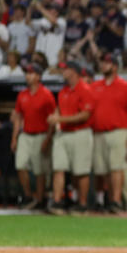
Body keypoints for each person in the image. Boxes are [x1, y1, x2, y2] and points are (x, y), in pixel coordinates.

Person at [89, 52, 127, 212]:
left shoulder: (125, 86)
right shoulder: (95, 86)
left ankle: (115, 201)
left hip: (118, 132)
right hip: (97, 133)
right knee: (99, 169)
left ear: (115, 66)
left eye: (107, 63)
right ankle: (99, 200)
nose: (104, 65)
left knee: (116, 168)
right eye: (103, 63)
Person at [47, 62, 94, 214]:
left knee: (81, 171)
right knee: (58, 168)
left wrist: (60, 119)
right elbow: (59, 111)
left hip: (80, 133)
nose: (62, 71)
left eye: (65, 69)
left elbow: (85, 115)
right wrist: (55, 117)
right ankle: (57, 202)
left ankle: (82, 204)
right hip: (63, 133)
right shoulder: (63, 91)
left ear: (74, 71)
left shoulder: (85, 89)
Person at [11, 64, 56, 210]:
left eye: (31, 73)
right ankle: (28, 195)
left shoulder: (46, 95)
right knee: (20, 165)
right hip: (26, 134)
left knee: (39, 170)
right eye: (27, 73)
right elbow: (18, 117)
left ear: (38, 76)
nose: (28, 76)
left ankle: (40, 198)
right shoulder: (22, 94)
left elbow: (52, 121)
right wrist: (14, 137)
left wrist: (47, 139)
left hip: (40, 134)